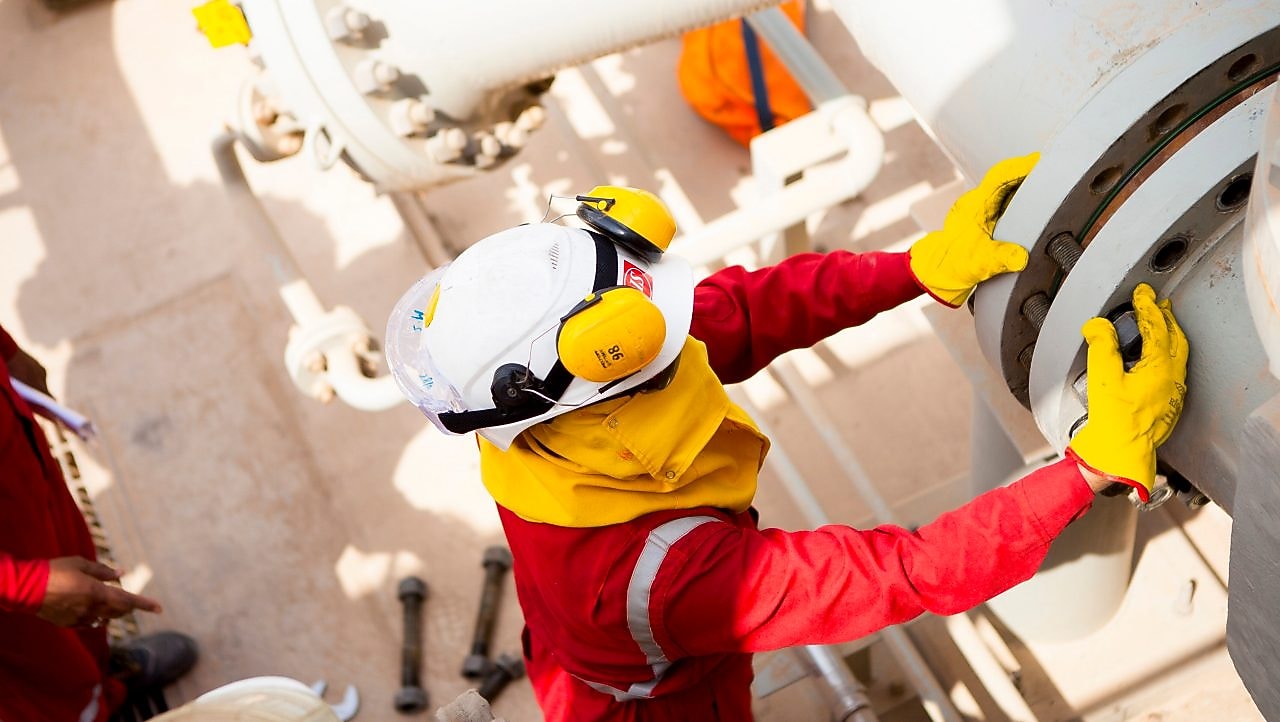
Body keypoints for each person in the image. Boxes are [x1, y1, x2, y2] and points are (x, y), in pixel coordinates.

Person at [384, 155, 1189, 721]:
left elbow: (741, 311)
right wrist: (1084, 471)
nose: (682, 327)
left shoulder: (539, 404)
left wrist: (917, 268)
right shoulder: (661, 577)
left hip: (573, 653)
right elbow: (905, 573)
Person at [0, 324, 199, 721]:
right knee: (40, 670)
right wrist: (26, 588)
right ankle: (89, 708)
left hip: (22, 482)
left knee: (82, 600)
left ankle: (102, 679)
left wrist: (7, 352)